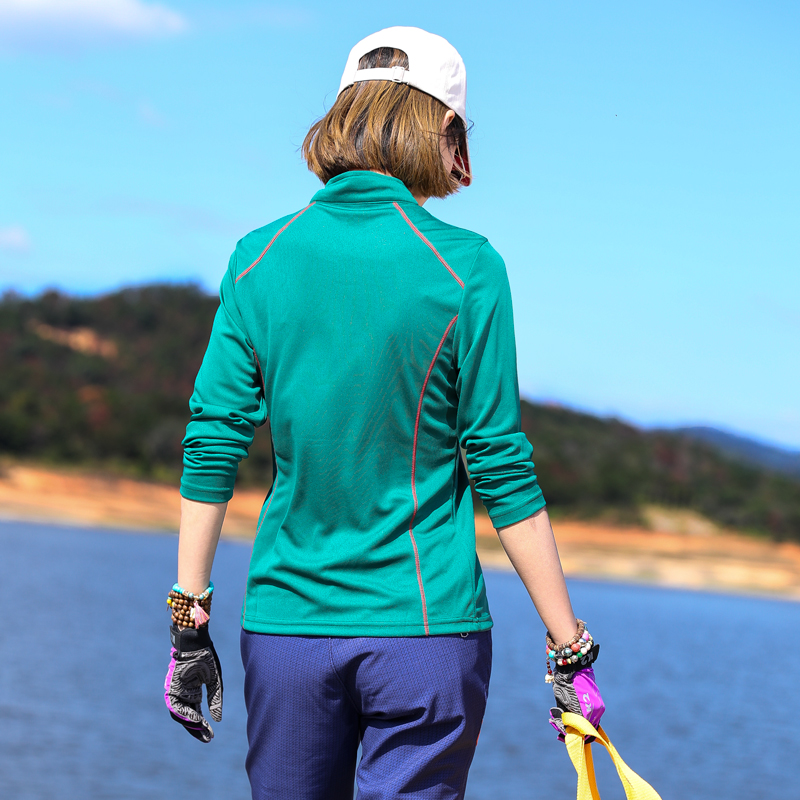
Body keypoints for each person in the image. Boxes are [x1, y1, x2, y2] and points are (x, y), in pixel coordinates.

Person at [163, 26, 604, 800]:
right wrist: (569, 648)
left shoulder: (257, 258)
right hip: (425, 635)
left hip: (288, 628)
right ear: (444, 129)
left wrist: (187, 620)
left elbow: (212, 442)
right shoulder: (467, 268)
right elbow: (499, 465)